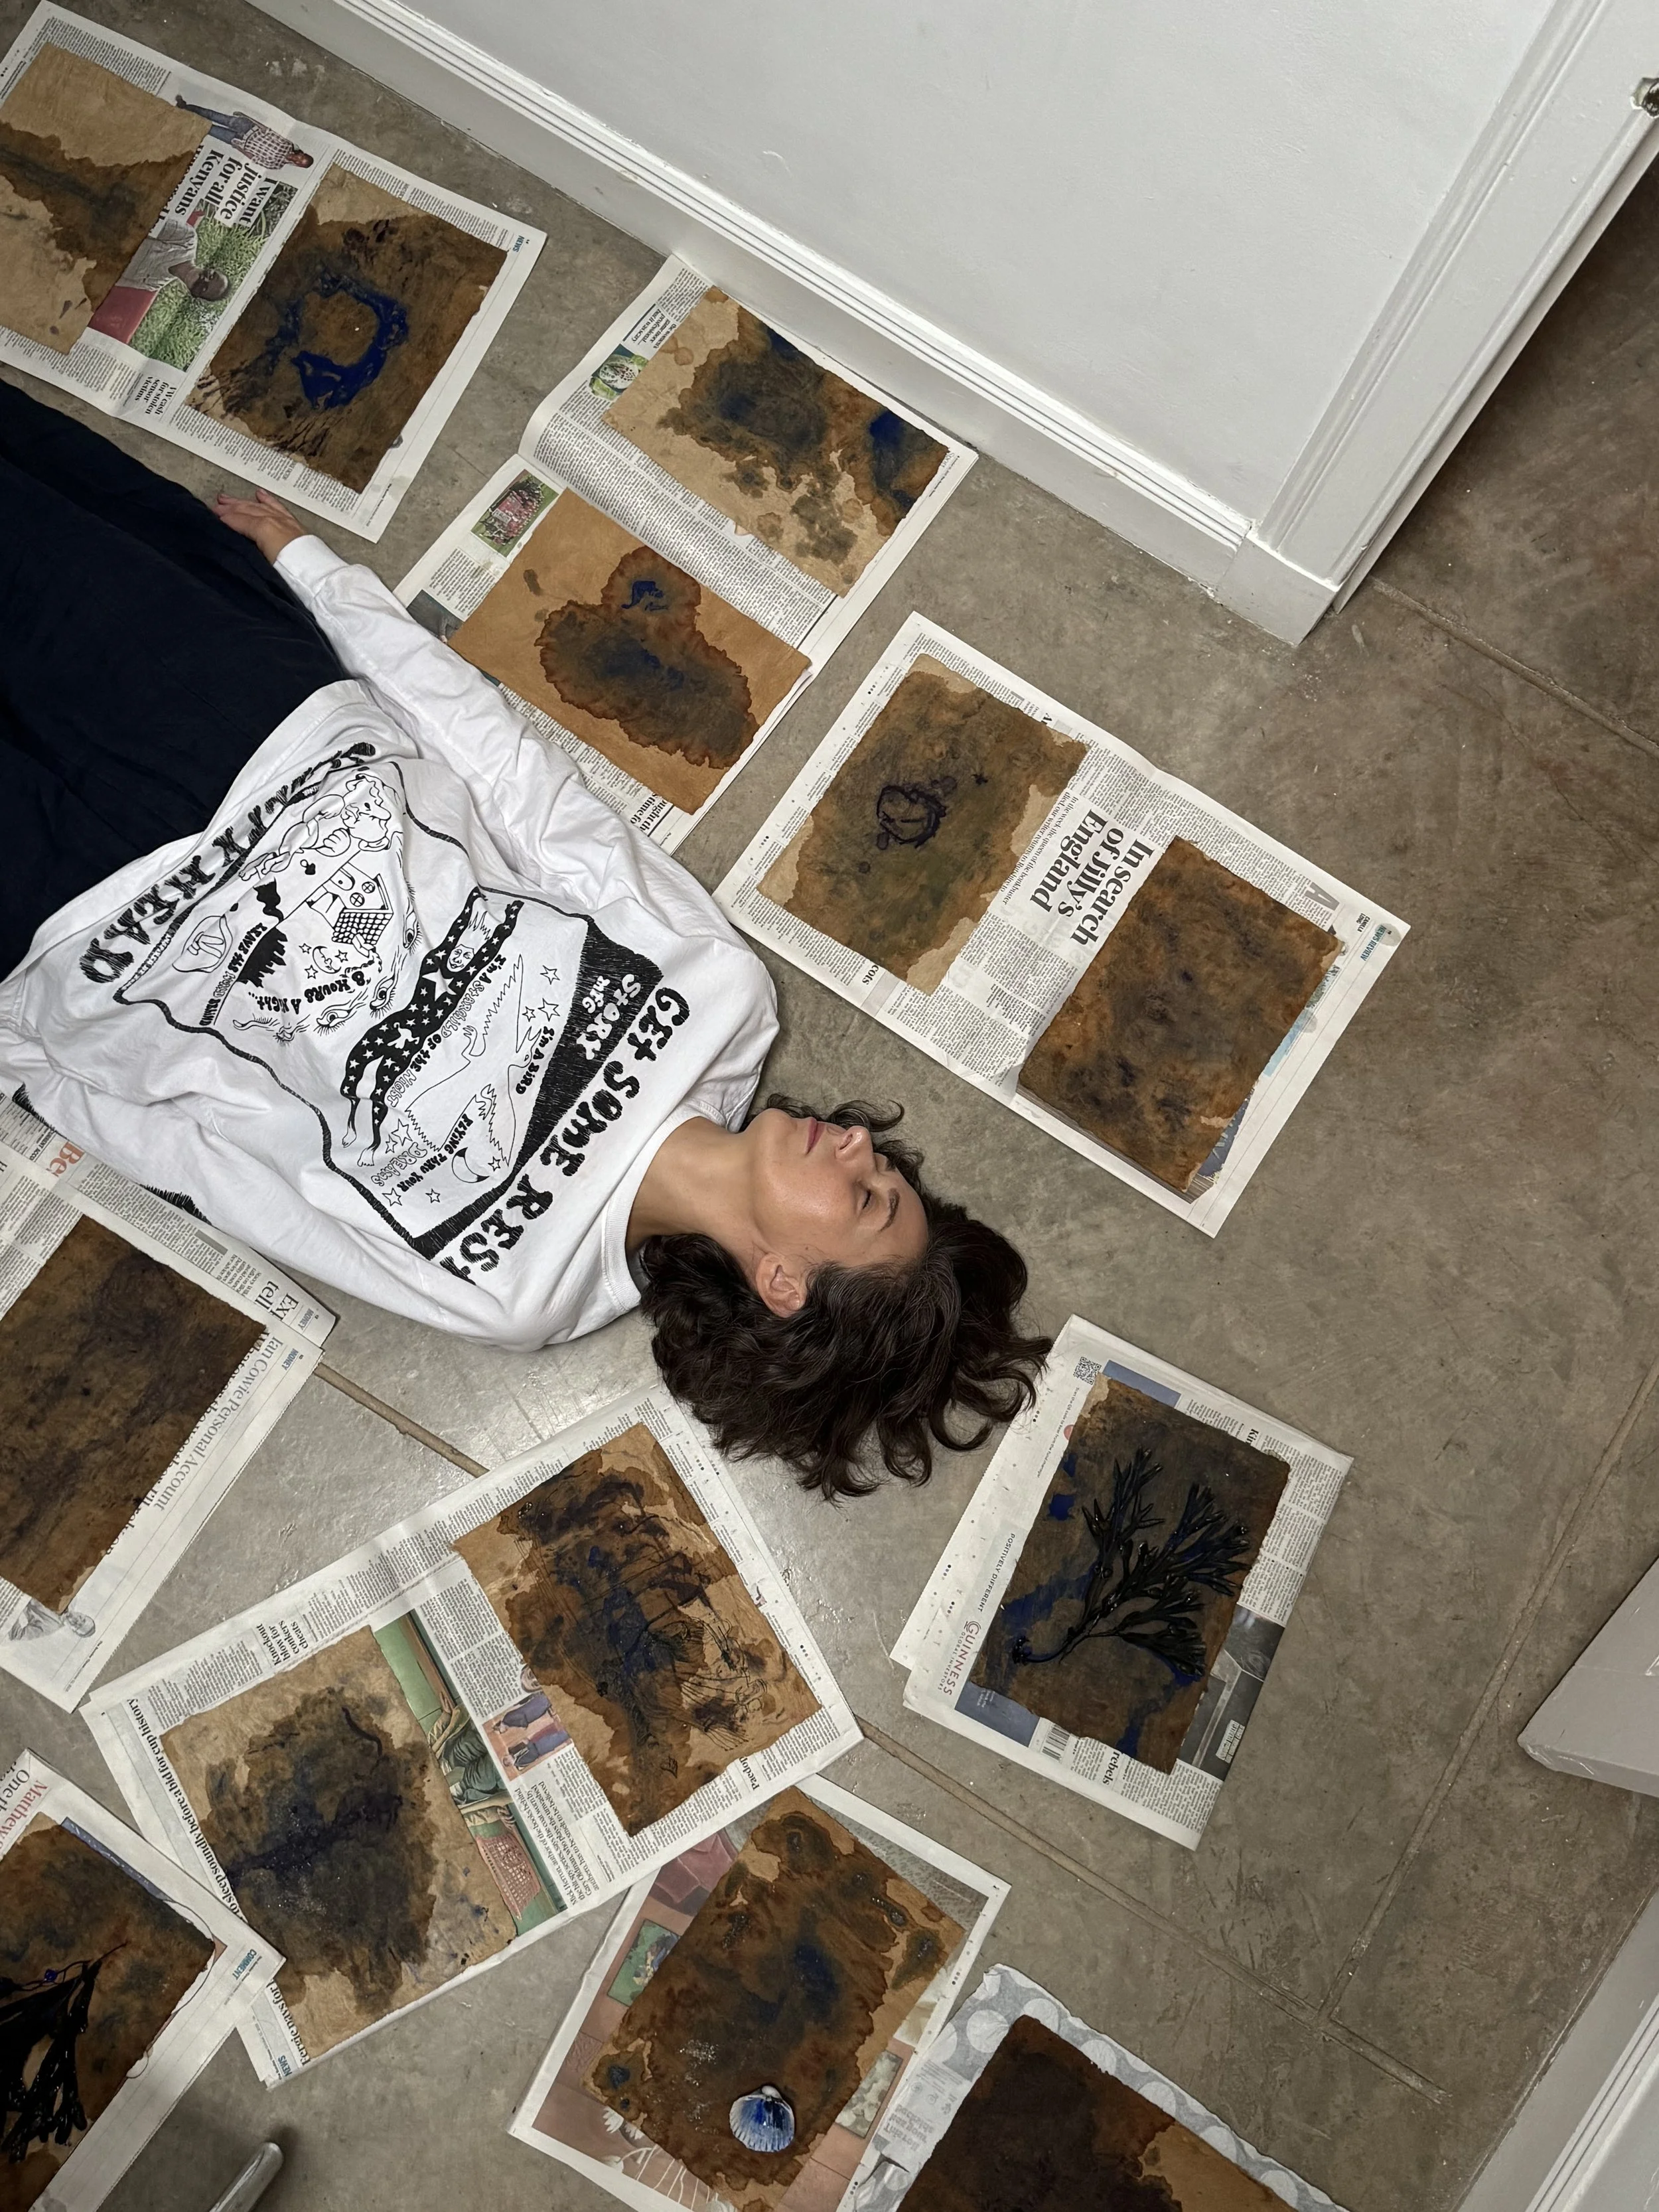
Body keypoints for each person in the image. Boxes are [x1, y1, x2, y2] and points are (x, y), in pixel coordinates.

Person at [0, 383, 1047, 1499]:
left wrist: (25, 1052)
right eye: (882, 1166)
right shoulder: (726, 1002)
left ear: (784, 1281)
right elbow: (524, 789)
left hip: (74, 920)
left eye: (868, 1197)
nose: (855, 1144)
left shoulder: (519, 1292)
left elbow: (226, 1170)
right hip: (244, 716)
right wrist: (326, 586)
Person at [173, 98, 316, 172]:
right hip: (247, 127)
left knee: (209, 129)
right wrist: (246, 117)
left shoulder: (277, 165)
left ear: (297, 166)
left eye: (299, 163)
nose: (297, 159)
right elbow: (266, 130)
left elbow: (254, 158)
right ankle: (185, 107)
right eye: (301, 158)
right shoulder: (288, 145)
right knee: (212, 115)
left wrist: (237, 147)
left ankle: (182, 118)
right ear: (302, 154)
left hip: (238, 141)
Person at [119, 214, 230, 304]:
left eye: (204, 288)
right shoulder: (187, 240)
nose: (204, 279)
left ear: (195, 293)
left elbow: (113, 279)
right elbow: (143, 219)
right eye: (211, 276)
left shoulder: (153, 284)